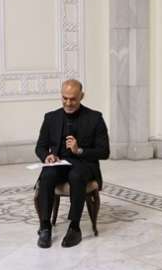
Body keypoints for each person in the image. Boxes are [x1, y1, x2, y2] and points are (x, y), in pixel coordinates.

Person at [35, 79, 110, 248]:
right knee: (47, 174)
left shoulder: (95, 118)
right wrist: (47, 156)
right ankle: (45, 226)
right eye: (65, 98)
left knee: (76, 175)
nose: (68, 103)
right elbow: (40, 147)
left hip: (84, 164)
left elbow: (104, 152)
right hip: (59, 162)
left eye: (73, 99)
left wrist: (79, 150)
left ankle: (75, 227)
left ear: (81, 96)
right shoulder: (51, 117)